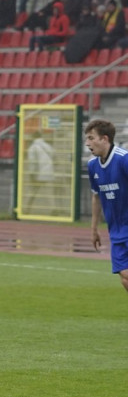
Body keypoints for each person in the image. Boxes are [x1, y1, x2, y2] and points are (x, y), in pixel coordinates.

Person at [85, 118, 128, 294]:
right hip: (116, 231)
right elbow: (97, 197)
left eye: (91, 138)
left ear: (104, 139)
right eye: (87, 139)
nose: (87, 143)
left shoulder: (123, 160)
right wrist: (94, 229)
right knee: (124, 278)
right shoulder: (92, 165)